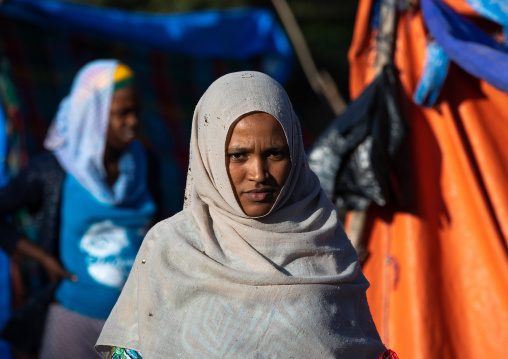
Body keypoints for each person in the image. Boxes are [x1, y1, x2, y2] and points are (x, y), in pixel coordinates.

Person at [96, 71, 398, 359]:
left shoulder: (325, 239)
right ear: (209, 155)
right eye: (238, 155)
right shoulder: (171, 248)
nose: (258, 174)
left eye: (275, 154)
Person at [0, 59, 160, 359]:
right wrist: (42, 257)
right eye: (122, 113)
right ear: (93, 115)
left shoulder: (145, 164)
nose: (133, 121)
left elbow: (160, 229)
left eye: (137, 111)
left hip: (133, 326)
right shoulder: (54, 170)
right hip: (72, 321)